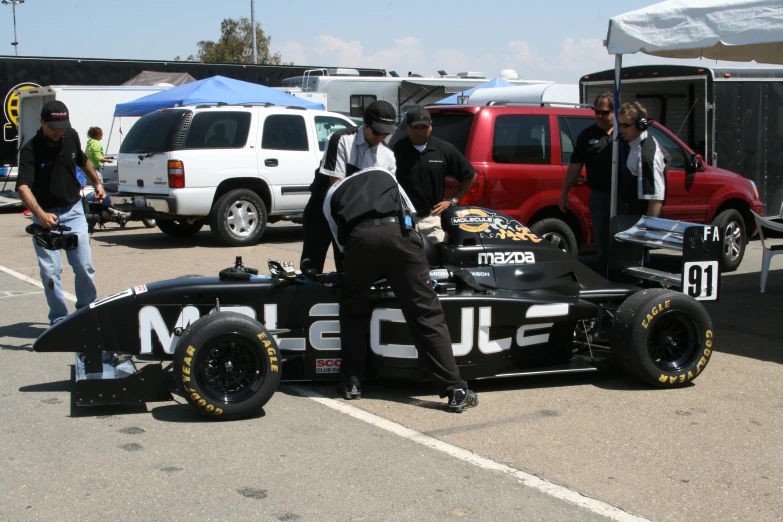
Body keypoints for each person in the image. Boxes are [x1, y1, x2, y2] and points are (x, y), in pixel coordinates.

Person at [323, 166, 479, 412]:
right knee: (426, 313)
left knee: (354, 311)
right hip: (399, 233)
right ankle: (455, 389)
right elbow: (412, 217)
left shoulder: (332, 193)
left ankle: (352, 384)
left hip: (360, 241)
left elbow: (341, 243)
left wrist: (366, 269)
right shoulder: (383, 173)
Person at [15, 101, 106, 325]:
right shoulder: (30, 149)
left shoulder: (71, 136)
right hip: (45, 216)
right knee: (50, 272)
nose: (59, 130)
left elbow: (84, 162)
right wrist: (41, 214)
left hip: (73, 210)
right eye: (54, 126)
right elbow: (23, 187)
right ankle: (59, 320)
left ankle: (87, 314)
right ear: (41, 122)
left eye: (62, 125)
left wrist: (98, 184)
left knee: (84, 266)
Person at [300, 100, 397, 273]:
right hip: (322, 211)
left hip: (354, 216)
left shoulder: (388, 156)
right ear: (365, 124)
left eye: (385, 134)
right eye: (376, 131)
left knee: (348, 268)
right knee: (311, 266)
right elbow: (336, 187)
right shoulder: (341, 139)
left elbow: (386, 193)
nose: (380, 137)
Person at [393, 106, 476, 243]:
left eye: (424, 127)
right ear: (407, 126)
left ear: (431, 126)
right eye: (416, 127)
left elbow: (470, 175)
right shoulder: (395, 151)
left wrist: (453, 200)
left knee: (440, 257)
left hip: (433, 219)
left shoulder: (444, 149)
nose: (420, 132)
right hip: (405, 220)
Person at [559, 91, 614, 275]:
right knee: (603, 241)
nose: (599, 116)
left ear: (614, 112)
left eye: (604, 112)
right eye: (596, 111)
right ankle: (605, 277)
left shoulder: (625, 133)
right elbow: (574, 167)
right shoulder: (587, 135)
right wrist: (564, 193)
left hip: (626, 197)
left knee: (626, 242)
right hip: (600, 195)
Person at [617, 101, 668, 218]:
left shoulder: (646, 155)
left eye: (625, 125)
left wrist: (648, 229)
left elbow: (655, 199)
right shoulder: (632, 143)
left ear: (641, 125)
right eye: (620, 124)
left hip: (640, 219)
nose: (621, 129)